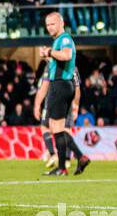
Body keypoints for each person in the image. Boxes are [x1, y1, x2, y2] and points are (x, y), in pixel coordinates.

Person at [32, 12, 90, 176]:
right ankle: (79, 157)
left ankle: (63, 166)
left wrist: (49, 53)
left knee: (55, 127)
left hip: (60, 86)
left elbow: (66, 55)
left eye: (52, 24)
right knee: (58, 128)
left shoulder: (64, 39)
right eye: (47, 24)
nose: (49, 27)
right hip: (64, 85)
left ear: (61, 23)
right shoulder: (59, 40)